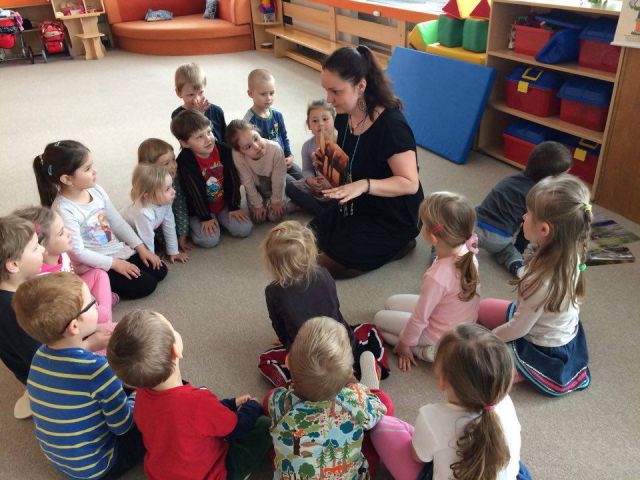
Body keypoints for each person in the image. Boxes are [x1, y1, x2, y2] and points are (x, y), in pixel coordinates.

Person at [107, 309, 272, 480]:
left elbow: (193, 419)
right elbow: (236, 428)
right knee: (264, 425)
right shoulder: (197, 402)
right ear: (175, 350)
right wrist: (252, 406)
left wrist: (231, 403)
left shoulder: (140, 397)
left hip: (161, 474)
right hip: (208, 474)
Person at [13, 272, 144, 479]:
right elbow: (123, 426)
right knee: (150, 406)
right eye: (92, 302)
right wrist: (139, 393)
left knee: (111, 393)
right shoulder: (98, 370)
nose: (97, 303)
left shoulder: (39, 356)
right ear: (74, 326)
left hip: (63, 462)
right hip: (100, 467)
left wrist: (89, 344)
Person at [310, 46, 424, 279]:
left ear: (360, 86)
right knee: (304, 238)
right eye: (326, 90)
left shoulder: (392, 126)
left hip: (394, 216)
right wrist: (327, 166)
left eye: (336, 91)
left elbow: (410, 183)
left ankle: (400, 244)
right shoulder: (344, 115)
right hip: (361, 203)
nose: (329, 99)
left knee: (322, 266)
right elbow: (352, 160)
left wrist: (364, 185)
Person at [478, 174, 592, 397]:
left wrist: (489, 339)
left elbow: (518, 329)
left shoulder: (541, 281)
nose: (523, 216)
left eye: (529, 213)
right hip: (543, 321)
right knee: (484, 308)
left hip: (543, 346)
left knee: (484, 368)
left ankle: (524, 370)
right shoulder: (569, 248)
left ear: (545, 230)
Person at [370, 324, 531, 480]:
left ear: (443, 380)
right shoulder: (506, 403)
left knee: (380, 425)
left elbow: (418, 457)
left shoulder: (431, 417)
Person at [258, 221, 390, 387]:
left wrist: (287, 342)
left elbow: (278, 325)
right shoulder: (324, 273)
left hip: (309, 358)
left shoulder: (273, 291)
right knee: (367, 331)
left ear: (272, 263)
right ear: (311, 252)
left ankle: (303, 387)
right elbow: (334, 308)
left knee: (267, 360)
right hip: (341, 343)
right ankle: (354, 379)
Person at [33, 140, 168, 299]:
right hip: (94, 264)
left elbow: (117, 222)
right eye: (87, 169)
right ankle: (99, 287)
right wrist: (115, 264)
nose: (95, 171)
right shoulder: (63, 209)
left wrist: (141, 248)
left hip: (116, 250)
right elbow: (78, 252)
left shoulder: (96, 190)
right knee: (147, 285)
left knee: (160, 270)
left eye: (92, 165)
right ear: (67, 179)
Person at [265, 317, 389, 479]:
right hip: (351, 472)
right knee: (383, 402)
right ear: (350, 372)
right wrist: (355, 387)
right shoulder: (353, 401)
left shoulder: (279, 401)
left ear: (287, 361)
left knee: (272, 414)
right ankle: (368, 387)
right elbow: (381, 410)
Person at [373, 192, 481, 371]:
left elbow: (419, 319)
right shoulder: (467, 250)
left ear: (433, 237)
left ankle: (429, 351)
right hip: (455, 320)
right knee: (390, 303)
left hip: (439, 334)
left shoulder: (437, 277)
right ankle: (434, 344)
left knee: (379, 320)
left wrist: (405, 344)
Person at [476, 141, 572, 278]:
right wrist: (519, 248)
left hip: (475, 227)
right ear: (550, 179)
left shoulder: (511, 179)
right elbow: (528, 227)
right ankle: (517, 265)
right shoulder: (537, 196)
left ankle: (452, 247)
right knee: (507, 251)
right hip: (500, 239)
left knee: (465, 218)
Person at [14, 205, 117, 326]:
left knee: (98, 274)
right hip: (66, 306)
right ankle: (105, 320)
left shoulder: (62, 252)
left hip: (75, 289)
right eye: (61, 233)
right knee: (99, 313)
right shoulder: (41, 277)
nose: (69, 233)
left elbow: (73, 273)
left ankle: (103, 311)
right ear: (43, 247)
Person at [171, 110, 253, 248]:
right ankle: (194, 227)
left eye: (209, 132)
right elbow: (194, 193)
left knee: (245, 228)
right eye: (199, 137)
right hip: (199, 210)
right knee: (209, 240)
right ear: (184, 143)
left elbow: (233, 180)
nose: (208, 139)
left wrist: (234, 206)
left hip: (222, 204)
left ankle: (219, 219)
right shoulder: (185, 162)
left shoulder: (225, 151)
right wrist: (205, 217)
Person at [0, 215, 45, 418]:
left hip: (29, 370)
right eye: (35, 248)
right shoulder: (18, 311)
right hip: (45, 377)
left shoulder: (15, 293)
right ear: (13, 265)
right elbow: (45, 360)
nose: (43, 250)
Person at [243, 68, 303, 181]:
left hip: (282, 159)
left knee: (302, 176)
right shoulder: (248, 122)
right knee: (292, 185)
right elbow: (249, 151)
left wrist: (289, 155)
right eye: (263, 94)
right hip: (267, 169)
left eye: (272, 93)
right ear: (250, 94)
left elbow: (284, 136)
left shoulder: (277, 115)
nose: (269, 98)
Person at [123, 163, 189, 264]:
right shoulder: (143, 214)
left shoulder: (165, 202)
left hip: (145, 232)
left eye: (172, 186)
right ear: (148, 196)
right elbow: (146, 239)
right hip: (124, 236)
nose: (173, 191)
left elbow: (169, 226)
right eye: (167, 189)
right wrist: (153, 259)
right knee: (131, 256)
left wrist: (173, 251)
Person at [226, 119, 287, 223]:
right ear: (240, 151)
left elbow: (279, 178)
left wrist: (276, 201)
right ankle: (266, 202)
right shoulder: (237, 155)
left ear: (257, 131)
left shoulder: (275, 149)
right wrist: (257, 204)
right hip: (257, 187)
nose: (257, 147)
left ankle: (287, 201)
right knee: (258, 219)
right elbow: (247, 181)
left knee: (275, 217)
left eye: (256, 138)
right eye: (248, 147)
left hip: (274, 185)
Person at [285, 99, 339, 216]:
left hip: (337, 189)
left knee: (344, 200)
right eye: (315, 121)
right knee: (289, 187)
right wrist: (310, 180)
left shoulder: (341, 142)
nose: (320, 124)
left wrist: (330, 184)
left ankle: (317, 210)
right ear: (309, 125)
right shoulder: (307, 146)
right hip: (316, 187)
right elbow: (307, 170)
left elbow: (347, 173)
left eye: (325, 119)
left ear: (334, 120)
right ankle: (317, 207)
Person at [138, 138, 192, 252]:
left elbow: (180, 207)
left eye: (173, 159)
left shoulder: (174, 178)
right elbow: (150, 225)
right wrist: (166, 246)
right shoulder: (146, 192)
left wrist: (182, 235)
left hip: (170, 215)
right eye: (166, 163)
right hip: (149, 224)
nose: (174, 166)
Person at [172, 62, 227, 144]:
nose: (197, 99)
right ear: (178, 93)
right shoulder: (177, 116)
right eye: (191, 95)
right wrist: (197, 114)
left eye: (201, 92)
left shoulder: (217, 111)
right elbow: (187, 140)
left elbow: (225, 138)